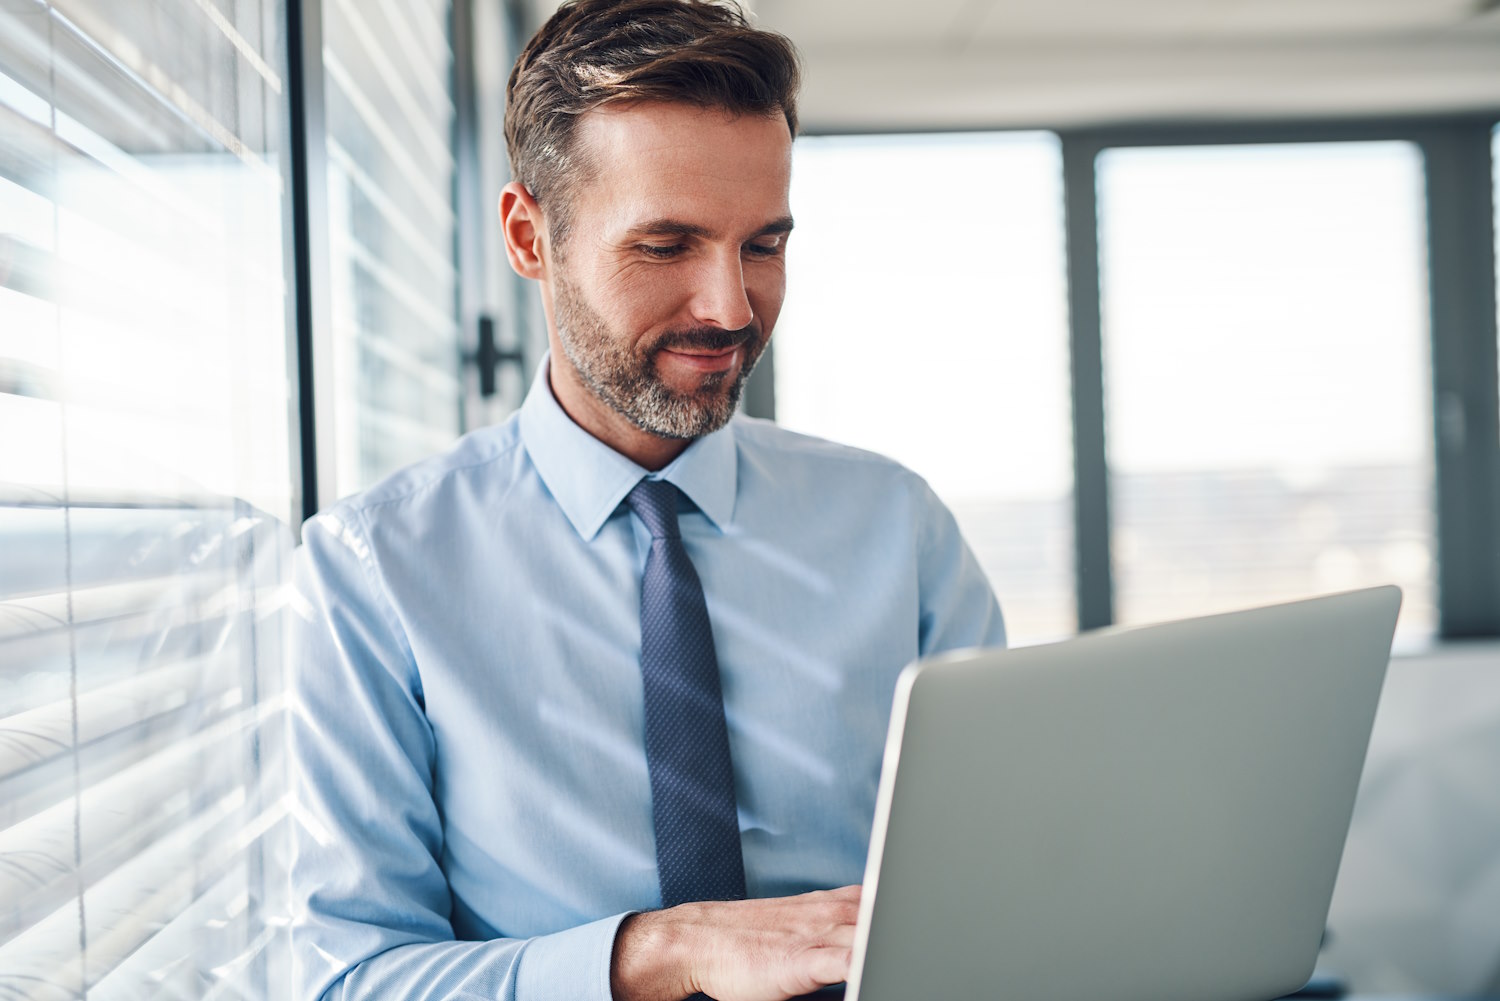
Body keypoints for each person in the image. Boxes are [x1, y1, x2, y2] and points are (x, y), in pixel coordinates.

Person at [288, 1, 1006, 998]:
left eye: (763, 244)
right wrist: (661, 953)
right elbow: (352, 976)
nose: (730, 306)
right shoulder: (373, 571)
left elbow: (1005, 885)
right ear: (529, 237)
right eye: (666, 245)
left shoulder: (899, 529)